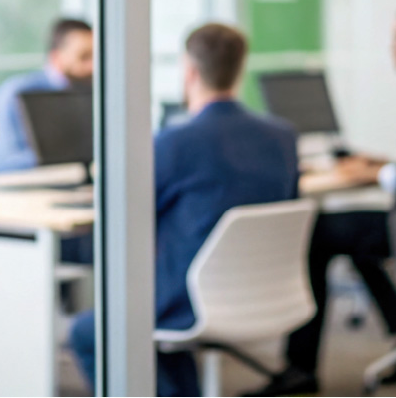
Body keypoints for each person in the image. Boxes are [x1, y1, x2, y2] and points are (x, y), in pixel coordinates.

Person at [253, 6, 396, 396]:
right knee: (357, 240)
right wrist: (379, 163)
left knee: (319, 236)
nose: (393, 46)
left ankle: (300, 369)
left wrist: (372, 174)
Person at [69, 23, 300, 396]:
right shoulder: (283, 136)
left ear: (189, 71)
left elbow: (130, 215)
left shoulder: (173, 143)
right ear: (239, 69)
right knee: (159, 324)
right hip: (259, 291)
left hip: (188, 300)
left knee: (85, 332)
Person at [0, 18, 93, 173]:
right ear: (56, 58)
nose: (93, 66)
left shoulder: (94, 93)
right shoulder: (16, 93)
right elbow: (2, 162)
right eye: (84, 57)